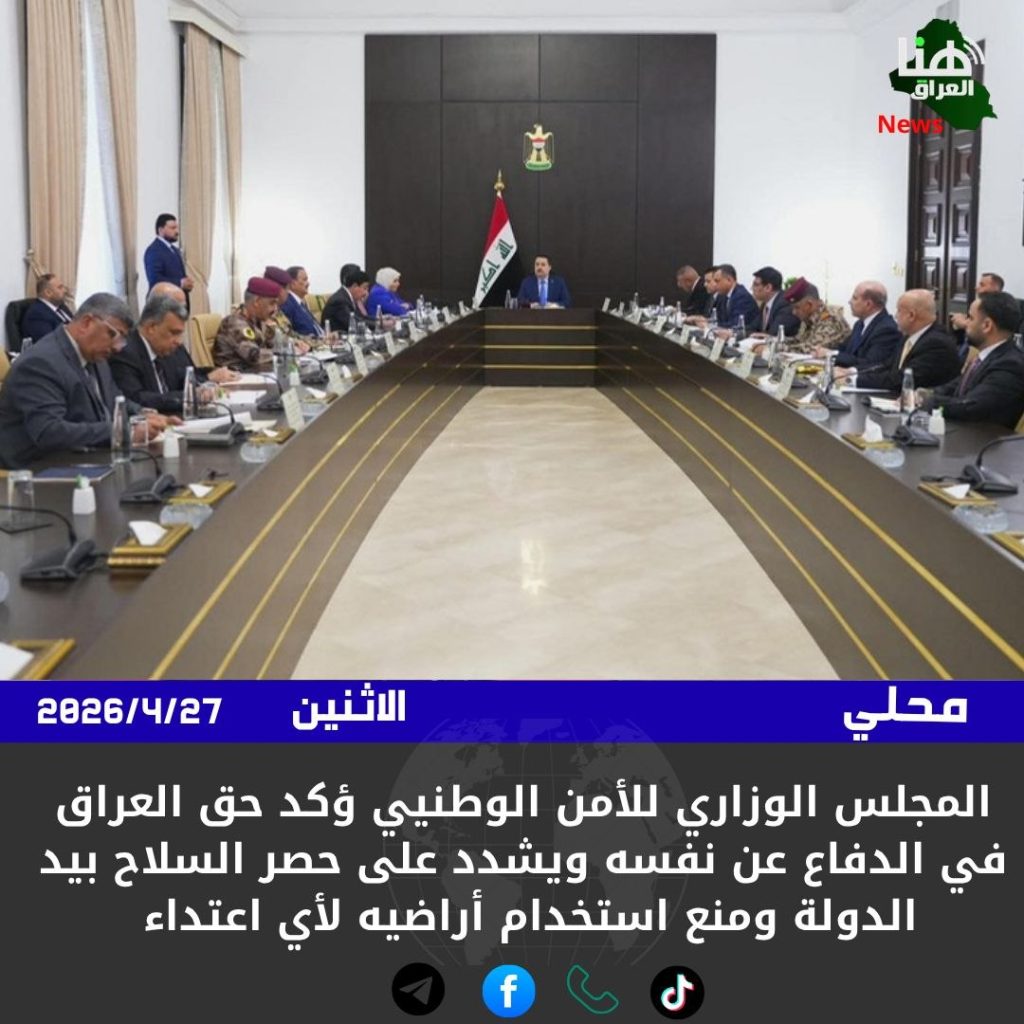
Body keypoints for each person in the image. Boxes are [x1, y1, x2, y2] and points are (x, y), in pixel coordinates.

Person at [0, 293, 176, 468]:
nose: (117, 347)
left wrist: (143, 414)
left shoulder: (95, 355)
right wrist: (124, 431)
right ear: (86, 323)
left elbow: (114, 399)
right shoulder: (40, 363)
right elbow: (50, 432)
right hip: (39, 471)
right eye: (113, 334)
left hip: (88, 460)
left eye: (122, 340)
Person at [110, 292, 237, 413]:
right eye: (174, 333)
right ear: (151, 327)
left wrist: (206, 385)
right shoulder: (125, 352)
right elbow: (136, 398)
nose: (179, 341)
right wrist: (189, 396)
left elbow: (184, 377)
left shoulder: (165, 349)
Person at [919, 291, 1024, 429]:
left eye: (970, 318)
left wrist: (927, 402)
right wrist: (923, 393)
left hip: (983, 438)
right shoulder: (985, 356)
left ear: (987, 325)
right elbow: (955, 386)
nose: (966, 324)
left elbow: (971, 406)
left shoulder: (1010, 364)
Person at [847, 289, 960, 391]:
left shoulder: (936, 344)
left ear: (911, 315)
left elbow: (902, 379)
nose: (896, 316)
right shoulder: (908, 336)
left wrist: (852, 380)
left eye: (899, 311)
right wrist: (851, 372)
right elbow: (886, 366)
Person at [814, 280, 900, 371]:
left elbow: (869, 364)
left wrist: (832, 354)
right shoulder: (859, 324)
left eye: (855, 298)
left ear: (868, 304)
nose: (850, 301)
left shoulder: (887, 330)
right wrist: (822, 350)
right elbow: (844, 349)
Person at [213, 277, 281, 371]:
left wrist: (292, 346)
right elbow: (254, 356)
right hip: (236, 375)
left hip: (255, 373)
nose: (275, 309)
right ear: (257, 302)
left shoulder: (257, 320)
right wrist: (283, 353)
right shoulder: (235, 324)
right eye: (272, 303)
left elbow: (274, 342)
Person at [778, 277, 849, 354]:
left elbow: (811, 349)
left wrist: (777, 348)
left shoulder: (830, 319)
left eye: (797, 307)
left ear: (809, 305)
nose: (794, 312)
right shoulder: (808, 318)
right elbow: (798, 340)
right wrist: (775, 342)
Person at [143, 214, 194, 307]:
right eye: (172, 228)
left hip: (179, 304)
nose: (177, 231)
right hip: (163, 306)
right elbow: (155, 280)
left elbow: (178, 275)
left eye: (177, 228)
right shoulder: (153, 250)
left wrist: (187, 283)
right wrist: (180, 283)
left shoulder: (175, 250)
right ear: (160, 230)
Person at [20, 273, 74, 342]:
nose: (65, 291)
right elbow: (50, 343)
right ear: (48, 293)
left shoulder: (61, 306)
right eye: (60, 287)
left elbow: (75, 324)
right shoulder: (37, 314)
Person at [750, 266, 799, 337]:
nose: (752, 288)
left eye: (756, 285)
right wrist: (735, 332)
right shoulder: (765, 304)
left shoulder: (785, 304)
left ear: (768, 287)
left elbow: (774, 334)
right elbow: (753, 327)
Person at [279, 266, 325, 338]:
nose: (308, 283)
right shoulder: (287, 304)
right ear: (293, 284)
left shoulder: (300, 302)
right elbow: (289, 335)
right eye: (304, 280)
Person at [322, 268, 373, 333]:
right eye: (364, 288)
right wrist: (379, 324)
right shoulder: (339, 301)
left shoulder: (348, 297)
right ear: (355, 286)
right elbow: (353, 323)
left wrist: (379, 321)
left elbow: (362, 318)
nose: (366, 293)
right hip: (336, 337)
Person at [711, 264, 759, 332]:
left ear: (729, 280)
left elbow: (736, 324)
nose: (715, 285)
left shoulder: (742, 296)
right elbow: (718, 319)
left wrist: (711, 325)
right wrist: (707, 322)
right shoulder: (722, 296)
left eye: (717, 281)